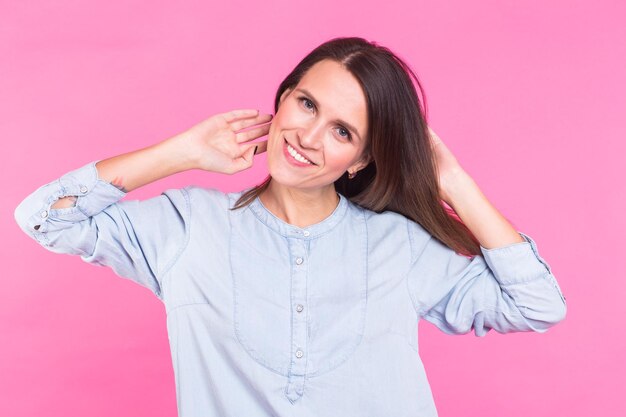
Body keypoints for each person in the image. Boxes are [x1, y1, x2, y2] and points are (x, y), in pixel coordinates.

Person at [14, 37, 566, 417]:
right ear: (281, 101)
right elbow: (44, 217)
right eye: (306, 104)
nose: (308, 135)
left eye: (343, 132)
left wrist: (454, 181)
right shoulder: (187, 226)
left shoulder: (398, 247)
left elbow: (538, 303)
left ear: (360, 160)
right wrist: (179, 153)